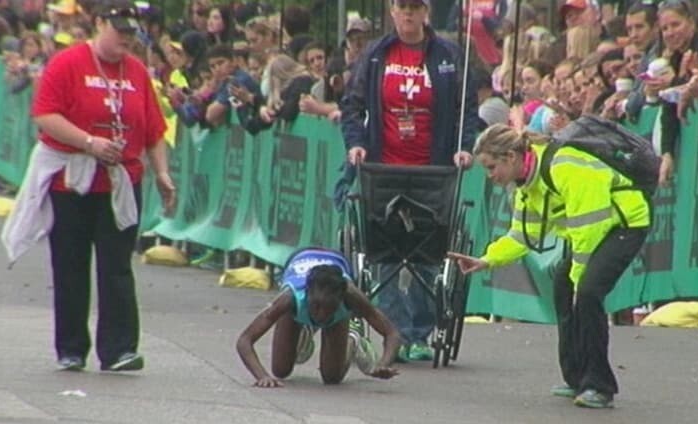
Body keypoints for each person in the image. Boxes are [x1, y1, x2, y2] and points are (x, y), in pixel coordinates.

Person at [2, 0, 175, 372]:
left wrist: (162, 172)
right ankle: (71, 348)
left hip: (121, 182)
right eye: (120, 31)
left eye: (132, 34)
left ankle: (119, 349)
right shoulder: (67, 63)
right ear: (98, 24)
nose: (126, 40)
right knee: (70, 265)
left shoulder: (137, 73)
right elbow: (45, 115)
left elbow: (154, 129)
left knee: (116, 267)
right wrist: (89, 142)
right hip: (72, 183)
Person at [448, 124, 651, 409]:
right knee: (562, 286)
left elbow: (589, 228)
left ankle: (599, 386)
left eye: (492, 167)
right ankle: (576, 377)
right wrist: (486, 260)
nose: (490, 176)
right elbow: (521, 236)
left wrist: (580, 277)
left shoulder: (565, 166)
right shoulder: (526, 186)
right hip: (595, 232)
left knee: (589, 292)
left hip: (626, 223)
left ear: (510, 157)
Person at [340, 0, 480, 362]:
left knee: (426, 250)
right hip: (383, 167)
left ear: (426, 12)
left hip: (432, 168)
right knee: (385, 249)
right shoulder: (375, 55)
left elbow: (467, 109)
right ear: (392, 10)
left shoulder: (448, 55)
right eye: (403, 7)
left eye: (415, 7)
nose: (409, 14)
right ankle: (394, 329)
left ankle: (420, 331)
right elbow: (352, 106)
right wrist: (355, 144)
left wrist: (464, 148)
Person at [236, 248, 401, 387]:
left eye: (330, 308)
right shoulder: (289, 298)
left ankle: (352, 337)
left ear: (341, 298)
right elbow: (245, 340)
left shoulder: (351, 295)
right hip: (300, 259)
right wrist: (262, 376)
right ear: (306, 293)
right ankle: (305, 329)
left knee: (332, 378)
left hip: (335, 280)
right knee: (280, 371)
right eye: (315, 306)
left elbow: (391, 333)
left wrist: (383, 365)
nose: (322, 315)